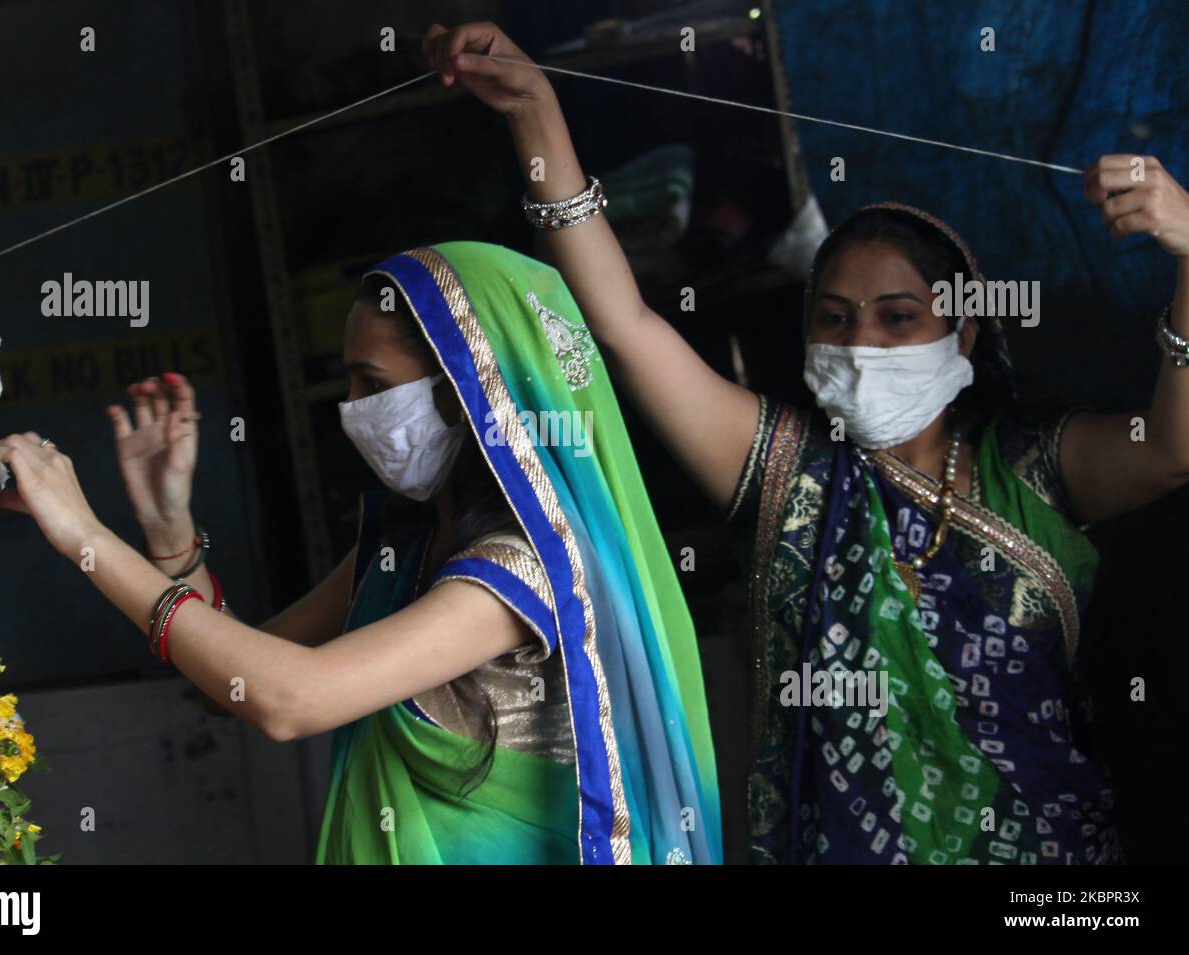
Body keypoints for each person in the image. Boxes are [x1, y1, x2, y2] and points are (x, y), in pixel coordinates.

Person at [424, 20, 1189, 863]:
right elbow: (625, 322)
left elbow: (1171, 451)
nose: (863, 343)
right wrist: (537, 114)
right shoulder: (790, 476)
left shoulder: (1032, 468)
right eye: (835, 318)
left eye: (899, 318)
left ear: (962, 334)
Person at [0, 241, 722, 865]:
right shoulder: (396, 552)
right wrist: (168, 526)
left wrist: (84, 536)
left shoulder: (519, 571)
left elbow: (289, 699)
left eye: (376, 384)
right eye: (349, 382)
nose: (353, 410)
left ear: (473, 391)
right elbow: (231, 686)